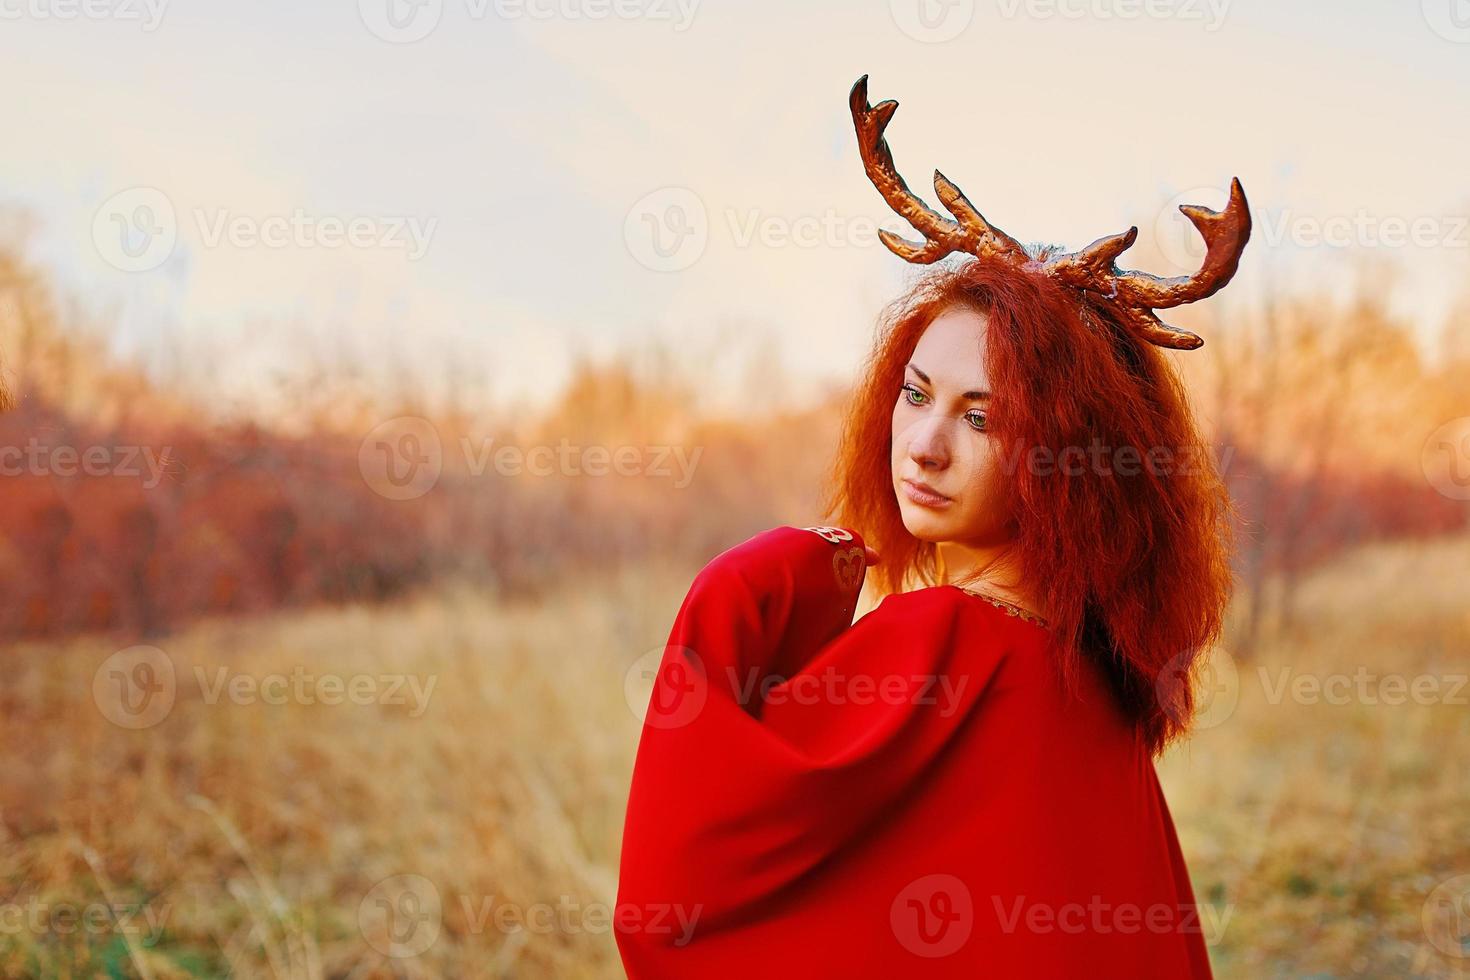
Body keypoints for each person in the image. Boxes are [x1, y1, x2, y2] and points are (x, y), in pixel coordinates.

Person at [614, 75, 1250, 979]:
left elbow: (672, 906)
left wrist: (758, 586)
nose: (923, 445)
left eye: (984, 420)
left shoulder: (940, 640)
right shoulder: (1099, 671)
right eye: (915, 396)